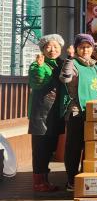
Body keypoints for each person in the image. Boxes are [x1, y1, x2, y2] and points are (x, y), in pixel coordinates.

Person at [59, 34, 97, 191]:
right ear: (76, 48)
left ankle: (85, 177)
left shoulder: (94, 65)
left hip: (93, 112)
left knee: (89, 147)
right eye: (82, 47)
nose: (85, 50)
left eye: (88, 47)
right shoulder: (72, 63)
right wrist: (69, 57)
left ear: (92, 49)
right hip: (76, 111)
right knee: (74, 147)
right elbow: (65, 78)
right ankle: (71, 180)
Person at [28, 34, 66, 192]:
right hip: (41, 113)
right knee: (40, 149)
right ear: (43, 49)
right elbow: (37, 83)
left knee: (50, 147)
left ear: (61, 48)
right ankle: (39, 183)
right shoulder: (37, 64)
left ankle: (44, 180)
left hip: (56, 112)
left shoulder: (62, 64)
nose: (52, 50)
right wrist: (39, 67)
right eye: (48, 47)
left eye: (56, 46)